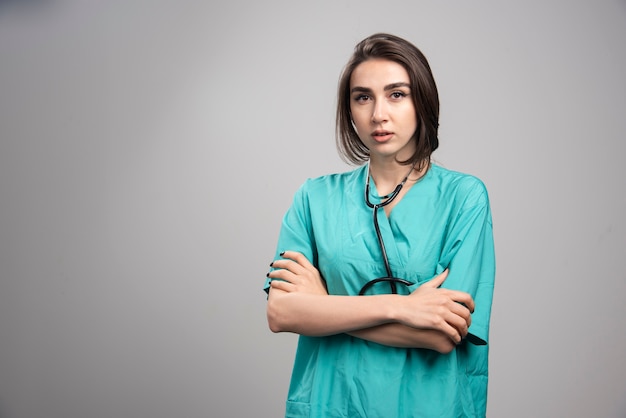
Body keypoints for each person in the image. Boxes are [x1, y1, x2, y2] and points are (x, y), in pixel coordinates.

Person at [264, 33, 495, 418]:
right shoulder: (314, 198)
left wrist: (323, 308)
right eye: (362, 97)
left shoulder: (464, 197)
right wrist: (403, 309)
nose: (378, 115)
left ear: (423, 100)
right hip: (331, 402)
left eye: (397, 94)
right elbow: (281, 313)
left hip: (429, 405)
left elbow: (442, 334)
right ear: (349, 109)